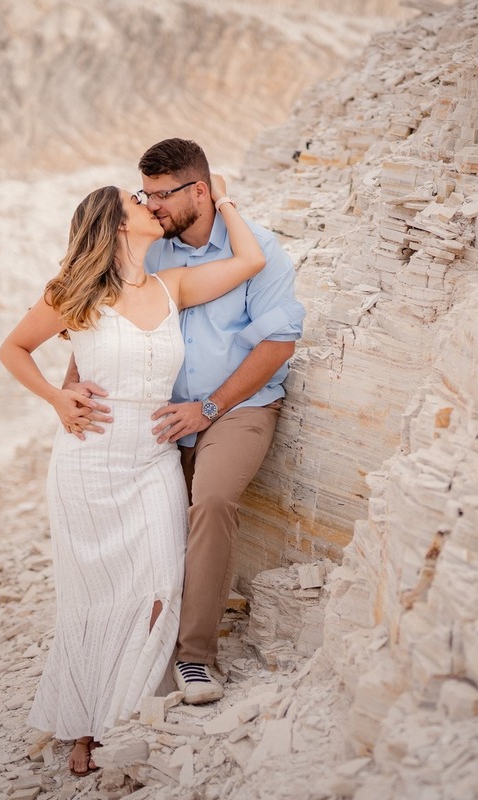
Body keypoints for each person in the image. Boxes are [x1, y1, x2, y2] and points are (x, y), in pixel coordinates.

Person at [0, 175, 266, 775]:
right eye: (137, 202)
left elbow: (251, 259)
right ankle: (86, 725)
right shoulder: (76, 292)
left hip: (151, 459)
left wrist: (221, 199)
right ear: (119, 224)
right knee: (91, 597)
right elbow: (12, 349)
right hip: (89, 460)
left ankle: (125, 711)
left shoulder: (171, 287)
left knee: (158, 580)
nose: (150, 206)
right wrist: (57, 399)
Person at [64, 138, 305, 705]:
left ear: (200, 190)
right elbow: (102, 313)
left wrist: (210, 407)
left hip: (236, 408)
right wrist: (73, 383)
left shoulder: (261, 249)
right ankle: (119, 644)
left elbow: (278, 344)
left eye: (162, 195)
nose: (151, 207)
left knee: (212, 499)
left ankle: (195, 658)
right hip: (164, 414)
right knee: (144, 520)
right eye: (144, 195)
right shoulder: (155, 251)